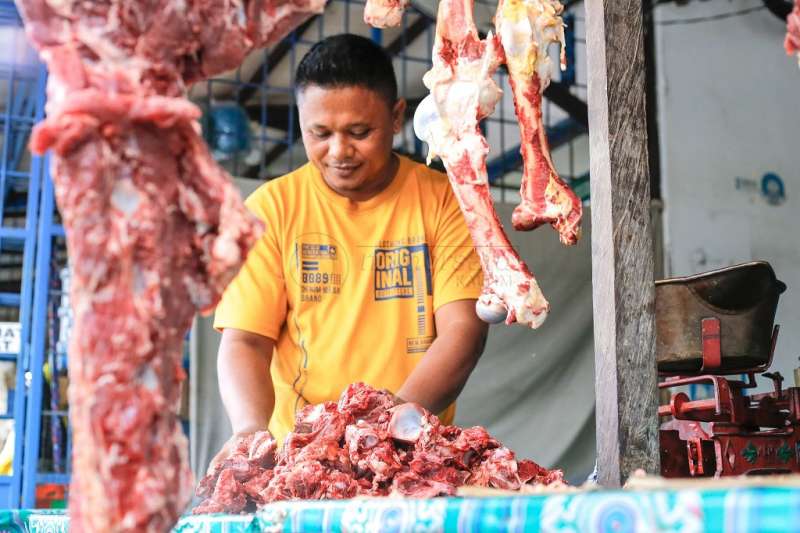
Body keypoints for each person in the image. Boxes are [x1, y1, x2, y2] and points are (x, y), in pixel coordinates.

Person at [210, 33, 488, 468]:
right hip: (300, 461)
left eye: (360, 132)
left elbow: (463, 333)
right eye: (319, 133)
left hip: (408, 452)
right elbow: (245, 339)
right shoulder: (271, 209)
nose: (339, 151)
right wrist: (249, 432)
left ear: (396, 118)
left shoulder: (444, 199)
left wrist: (383, 435)